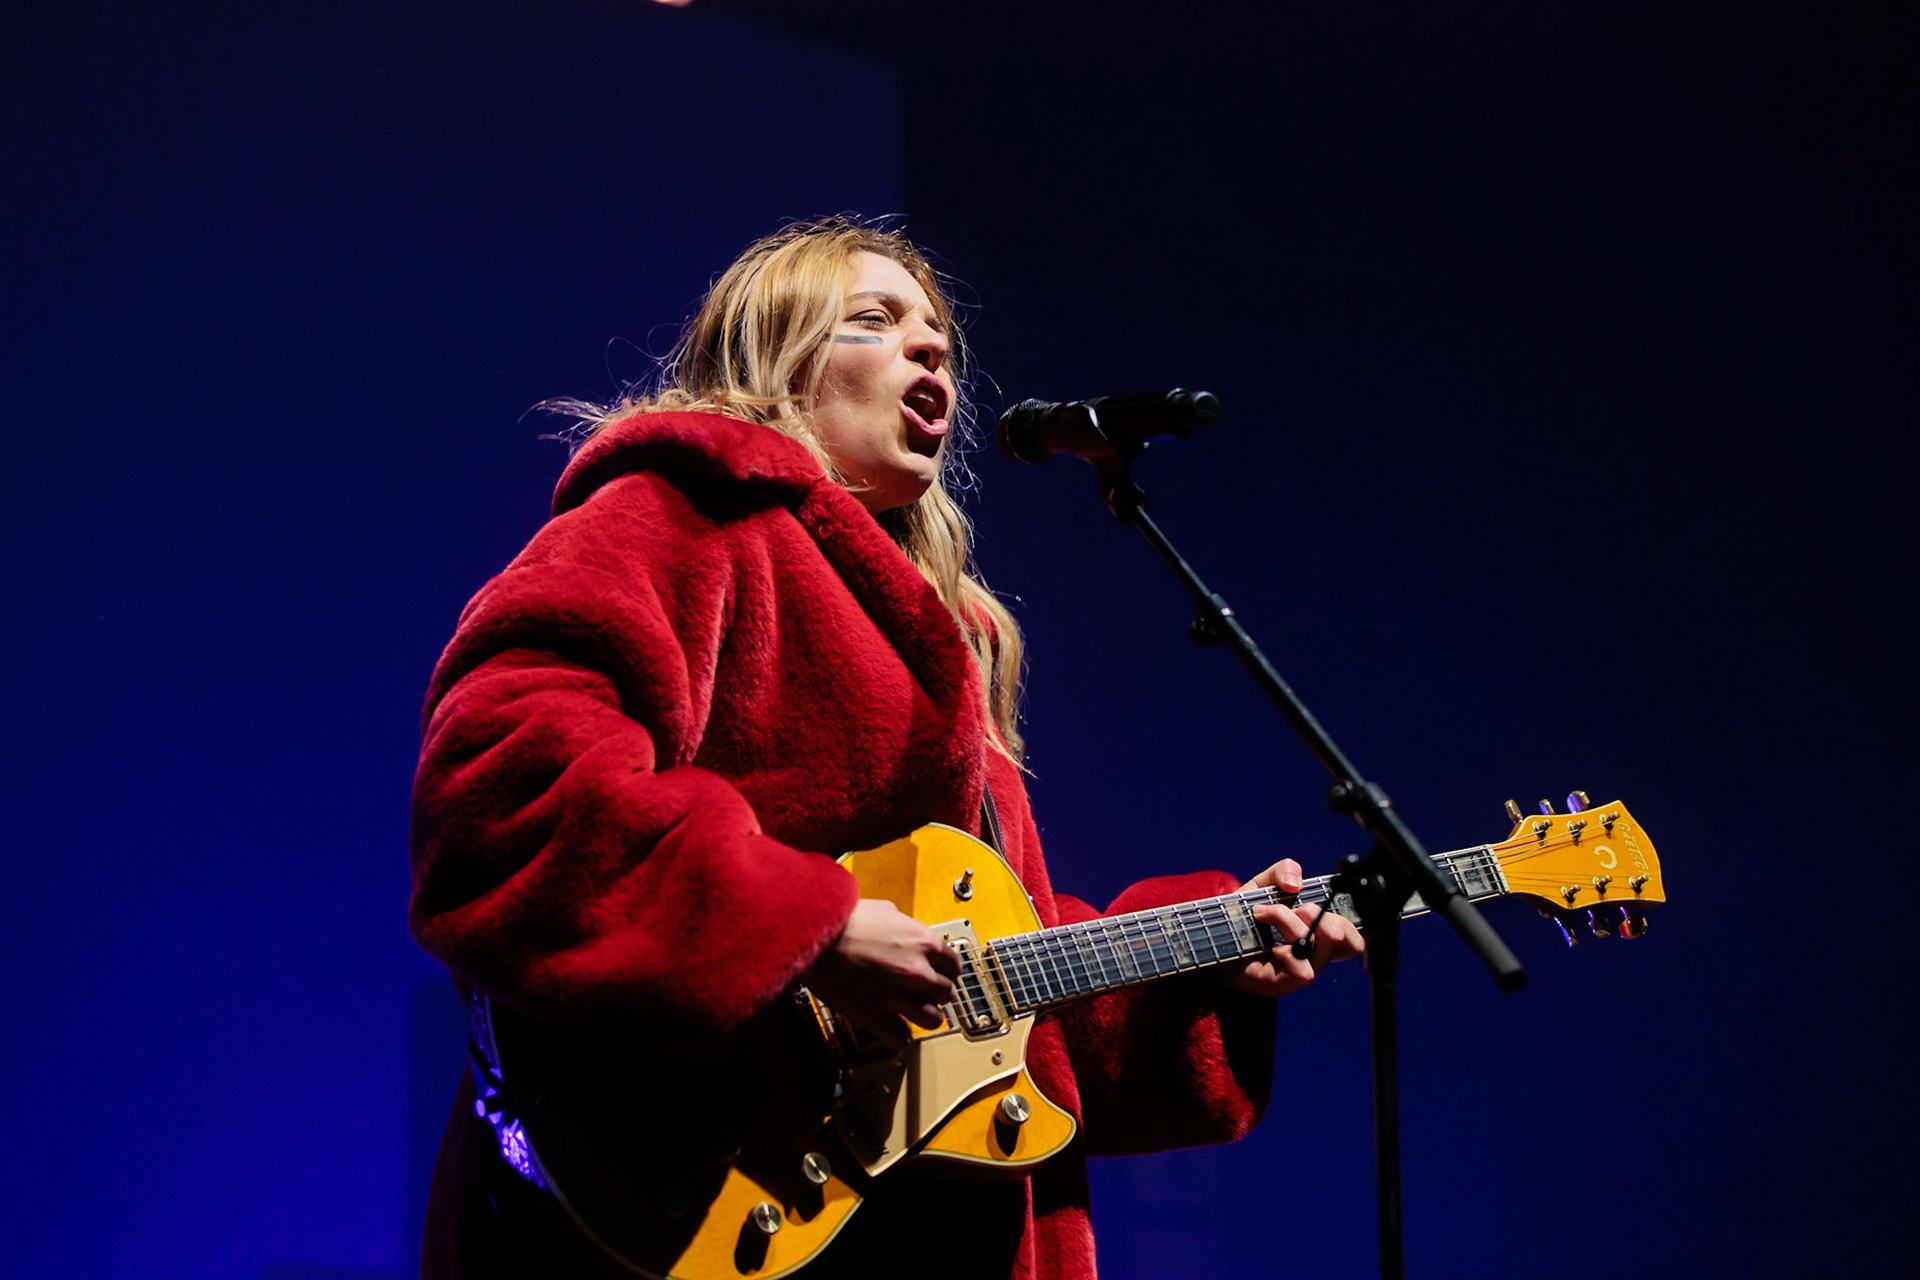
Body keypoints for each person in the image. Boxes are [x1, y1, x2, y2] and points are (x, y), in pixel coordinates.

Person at [408, 216, 1362, 1279]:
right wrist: (801, 928)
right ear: (774, 357)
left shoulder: (959, 631)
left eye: (941, 338)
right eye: (876, 320)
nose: (930, 350)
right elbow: (505, 782)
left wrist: (1215, 965)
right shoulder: (676, 515)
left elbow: (997, 998)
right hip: (690, 1201)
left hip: (922, 1231)